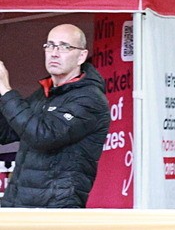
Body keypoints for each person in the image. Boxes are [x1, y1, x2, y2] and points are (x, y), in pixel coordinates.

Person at [0, 24, 111, 208]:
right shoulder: (45, 93)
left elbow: (43, 136)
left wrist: (6, 90)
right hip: (19, 204)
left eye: (64, 47)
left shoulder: (89, 99)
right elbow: (6, 132)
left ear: (81, 56)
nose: (54, 53)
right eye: (50, 45)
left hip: (54, 209)